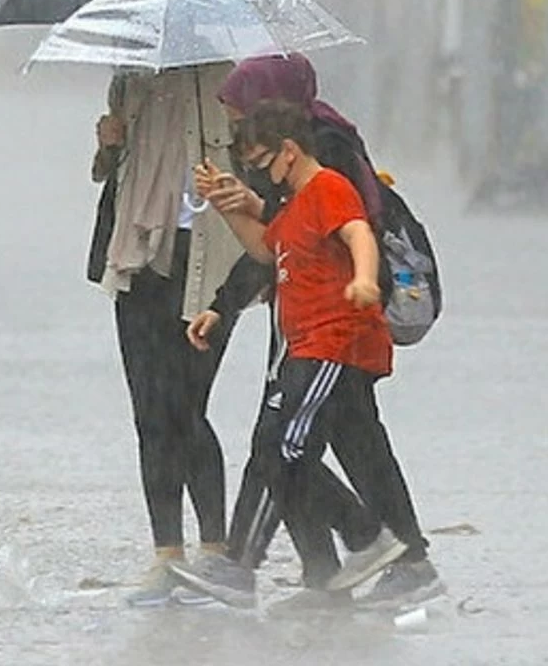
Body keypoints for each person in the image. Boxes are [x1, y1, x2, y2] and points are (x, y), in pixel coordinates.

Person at [173, 54, 442, 612]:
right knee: (349, 444)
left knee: (281, 445)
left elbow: (346, 230)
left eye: (241, 118)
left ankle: (284, 560)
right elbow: (273, 241)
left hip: (333, 324)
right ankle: (358, 570)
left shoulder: (325, 154)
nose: (237, 136)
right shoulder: (286, 160)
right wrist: (224, 295)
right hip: (311, 320)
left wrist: (364, 280)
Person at [86, 61, 247, 608]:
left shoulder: (226, 81)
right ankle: (167, 556)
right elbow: (110, 173)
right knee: (150, 413)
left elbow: (258, 169)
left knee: (186, 407)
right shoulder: (129, 78)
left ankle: (215, 551)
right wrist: (109, 145)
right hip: (137, 258)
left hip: (207, 263)